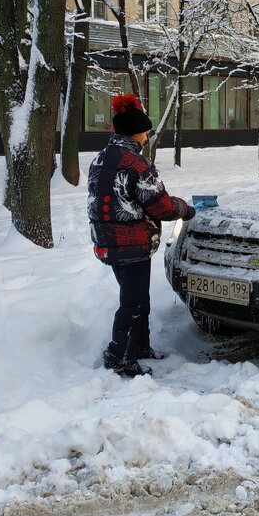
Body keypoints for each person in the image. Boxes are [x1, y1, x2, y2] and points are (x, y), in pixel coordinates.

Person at [88, 93, 195, 378]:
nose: (148, 134)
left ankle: (139, 347)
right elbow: (161, 207)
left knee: (137, 298)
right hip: (131, 242)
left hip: (106, 240)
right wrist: (185, 208)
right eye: (146, 130)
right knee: (133, 303)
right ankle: (120, 356)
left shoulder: (101, 159)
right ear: (137, 132)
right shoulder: (137, 165)